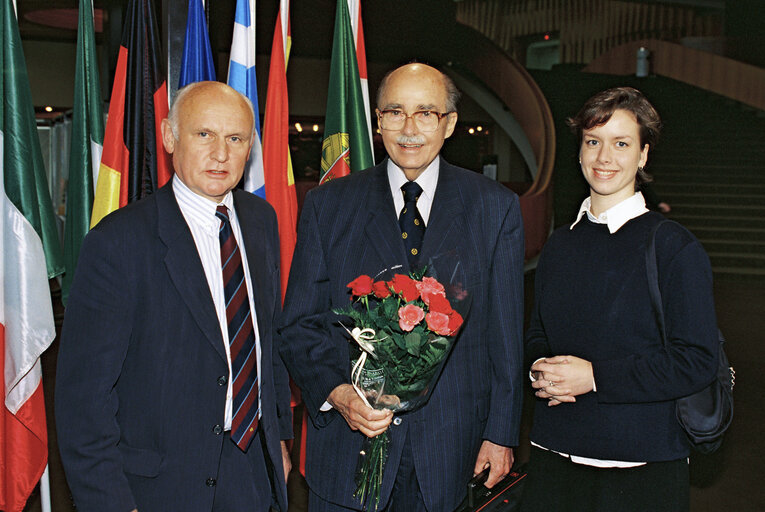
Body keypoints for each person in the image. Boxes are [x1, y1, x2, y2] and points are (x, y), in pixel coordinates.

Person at [278, 63, 525, 511]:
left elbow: (504, 335)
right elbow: (299, 325)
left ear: (449, 123)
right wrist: (338, 394)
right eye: (395, 112)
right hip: (347, 450)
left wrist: (501, 433)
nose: (409, 129)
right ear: (377, 120)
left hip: (452, 454)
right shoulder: (328, 206)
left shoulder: (495, 209)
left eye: (426, 113)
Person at [55, 81, 292, 512]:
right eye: (204, 134)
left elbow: (266, 342)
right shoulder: (118, 242)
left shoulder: (261, 221)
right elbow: (83, 401)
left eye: (235, 138)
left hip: (252, 477)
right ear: (169, 136)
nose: (221, 153)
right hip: (158, 489)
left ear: (250, 146)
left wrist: (279, 443)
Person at [520, 87, 718, 512]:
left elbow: (697, 360)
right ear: (579, 152)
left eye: (621, 143)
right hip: (553, 455)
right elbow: (538, 333)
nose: (603, 157)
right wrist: (539, 366)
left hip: (639, 466)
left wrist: (595, 378)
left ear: (643, 156)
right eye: (593, 141)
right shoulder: (559, 245)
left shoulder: (672, 247)